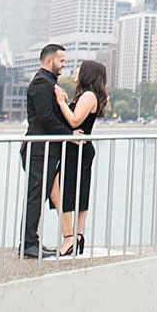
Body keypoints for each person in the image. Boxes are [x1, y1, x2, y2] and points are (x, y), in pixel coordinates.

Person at [51, 60, 107, 257]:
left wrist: (61, 103)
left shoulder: (88, 96)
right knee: (79, 191)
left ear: (87, 74)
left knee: (60, 188)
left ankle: (71, 238)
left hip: (78, 149)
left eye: (79, 69)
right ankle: (77, 236)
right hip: (80, 149)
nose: (76, 72)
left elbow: (75, 120)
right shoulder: (90, 95)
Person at [21, 43, 70, 258]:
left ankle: (32, 242)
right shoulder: (42, 83)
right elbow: (45, 117)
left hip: (44, 150)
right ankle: (29, 244)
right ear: (48, 61)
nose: (63, 65)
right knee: (36, 196)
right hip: (39, 150)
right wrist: (70, 136)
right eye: (61, 61)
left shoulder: (49, 83)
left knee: (38, 196)